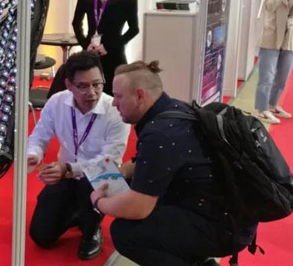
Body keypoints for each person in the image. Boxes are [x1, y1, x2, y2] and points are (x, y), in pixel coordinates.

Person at [89, 61, 256, 266]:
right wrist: (124, 170)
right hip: (233, 215)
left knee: (125, 232)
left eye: (118, 96)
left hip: (222, 228)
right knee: (134, 186)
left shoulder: (158, 134)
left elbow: (139, 208)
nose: (114, 103)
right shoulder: (175, 109)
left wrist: (99, 202)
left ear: (140, 95)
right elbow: (163, 162)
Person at [27, 51, 130, 260]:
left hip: (100, 176)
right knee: (41, 236)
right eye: (83, 86)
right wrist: (34, 154)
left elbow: (109, 160)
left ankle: (92, 227)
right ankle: (77, 213)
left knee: (93, 181)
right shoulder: (57, 102)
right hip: (65, 175)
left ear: (103, 79)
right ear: (69, 85)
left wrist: (68, 169)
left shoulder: (115, 111)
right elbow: (39, 136)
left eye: (97, 84)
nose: (91, 93)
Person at [72, 0, 140, 96]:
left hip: (115, 54)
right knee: (88, 94)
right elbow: (76, 23)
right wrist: (86, 44)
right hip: (90, 53)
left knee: (114, 97)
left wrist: (109, 46)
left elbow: (134, 29)